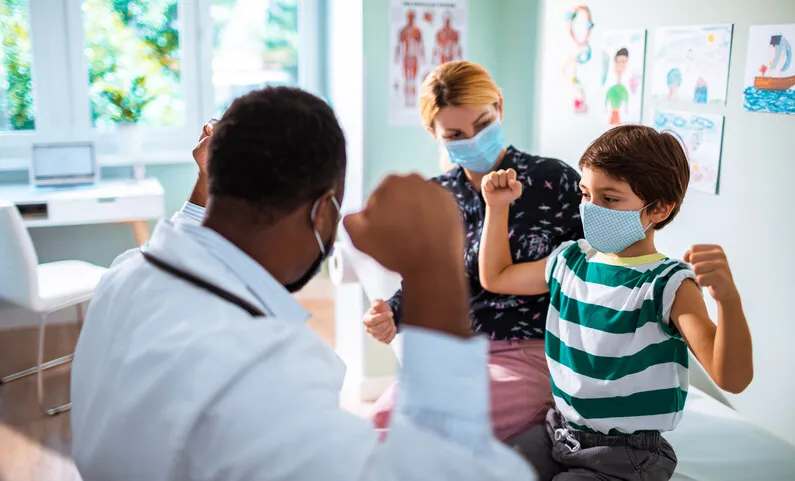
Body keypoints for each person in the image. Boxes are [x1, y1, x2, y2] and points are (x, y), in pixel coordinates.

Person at [70, 86, 534, 481]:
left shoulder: (124, 276)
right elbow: (456, 472)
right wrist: (434, 266)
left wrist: (203, 186)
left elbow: (187, 237)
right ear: (323, 211)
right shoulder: (261, 376)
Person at [478, 125, 754, 480]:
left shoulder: (667, 284)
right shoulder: (570, 261)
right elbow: (497, 276)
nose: (591, 209)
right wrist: (496, 207)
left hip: (625, 454)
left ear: (659, 208)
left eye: (609, 199)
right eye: (585, 194)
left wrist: (728, 300)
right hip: (558, 431)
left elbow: (731, 378)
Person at [363, 60, 583, 441]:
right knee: (378, 422)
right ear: (434, 134)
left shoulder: (555, 180)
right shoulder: (436, 197)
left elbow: (593, 269)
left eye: (483, 124)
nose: (474, 140)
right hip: (457, 357)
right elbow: (425, 282)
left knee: (413, 431)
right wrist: (391, 313)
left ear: (499, 108)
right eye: (456, 134)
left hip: (536, 354)